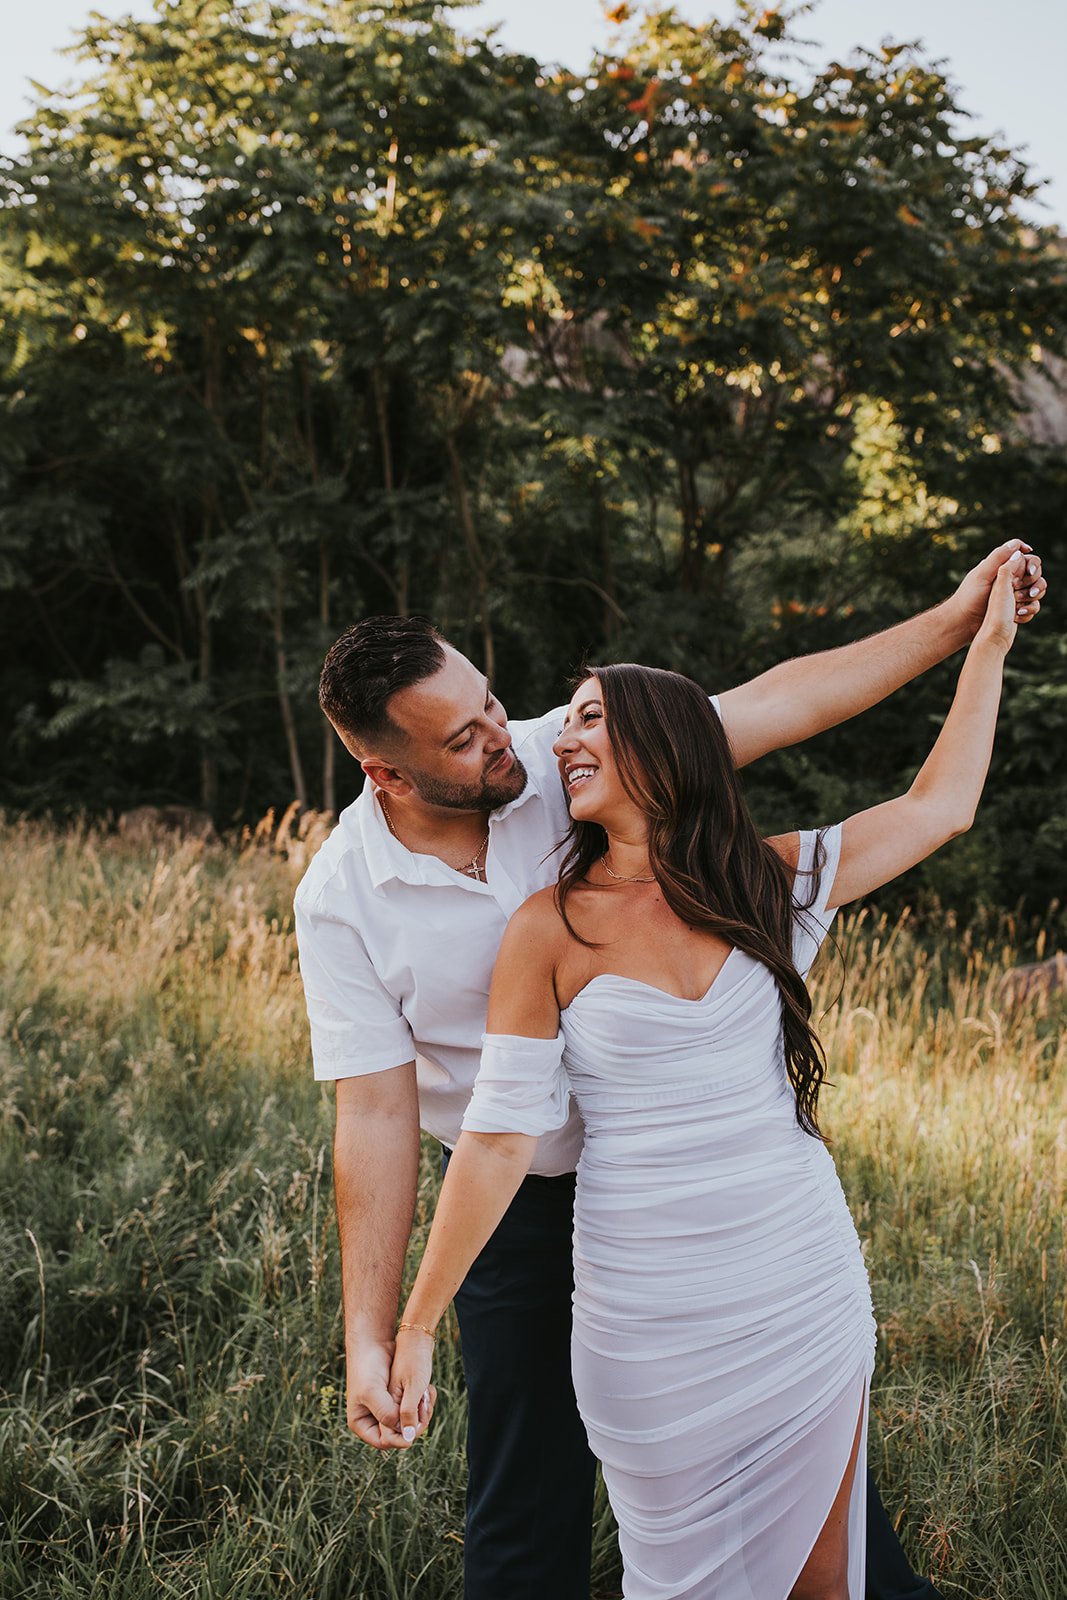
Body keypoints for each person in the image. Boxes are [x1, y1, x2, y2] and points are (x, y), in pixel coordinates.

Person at [292, 541, 1044, 1600]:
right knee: (521, 1504)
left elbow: (866, 759)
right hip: (554, 1222)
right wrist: (383, 1331)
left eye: (499, 704)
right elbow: (382, 1112)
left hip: (780, 1251)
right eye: (465, 737)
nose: (519, 740)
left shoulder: (733, 866)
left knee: (836, 1555)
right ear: (387, 770)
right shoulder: (367, 901)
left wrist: (967, 626)